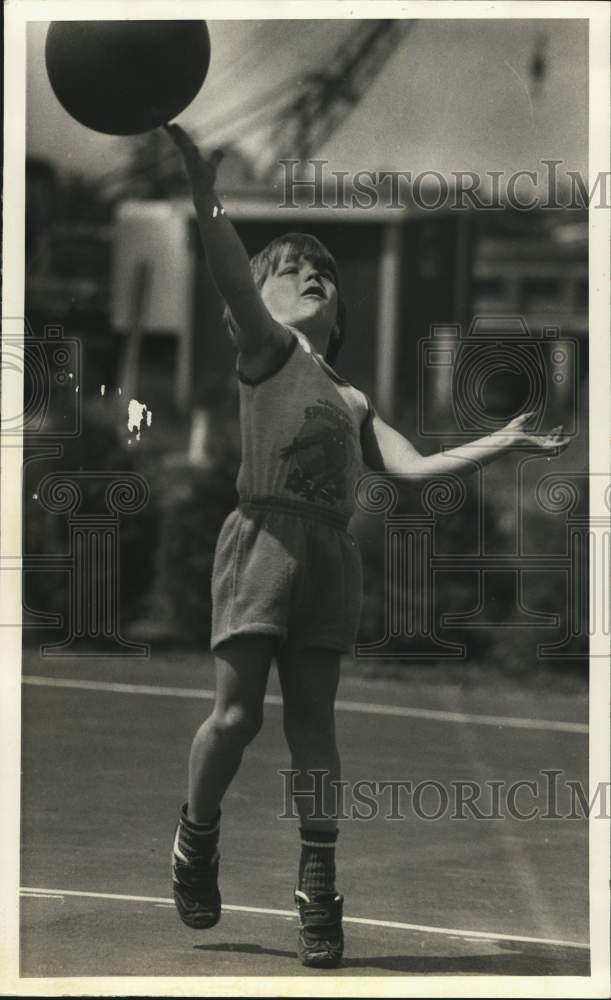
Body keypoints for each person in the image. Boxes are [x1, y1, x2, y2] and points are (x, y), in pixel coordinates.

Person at [165, 123, 569, 968]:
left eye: (324, 272)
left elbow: (415, 467)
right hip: (263, 540)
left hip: (328, 557)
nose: (312, 274)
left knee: (314, 726)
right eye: (290, 268)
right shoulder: (267, 353)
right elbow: (228, 268)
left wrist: (504, 438)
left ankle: (317, 886)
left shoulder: (350, 398)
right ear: (255, 303)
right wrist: (207, 196)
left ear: (341, 313)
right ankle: (195, 837)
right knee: (237, 717)